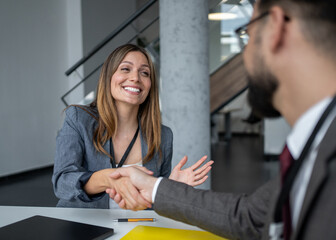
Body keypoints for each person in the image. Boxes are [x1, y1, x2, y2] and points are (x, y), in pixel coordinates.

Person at [107, 0, 336, 239]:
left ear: (275, 29)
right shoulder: (314, 143)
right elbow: (251, 217)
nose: (245, 53)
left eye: (246, 34)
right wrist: (154, 189)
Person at [52, 44, 213, 210]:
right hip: (83, 225)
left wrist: (167, 188)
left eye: (144, 73)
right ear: (109, 76)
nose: (135, 78)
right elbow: (62, 182)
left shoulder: (163, 135)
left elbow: (153, 204)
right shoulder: (78, 118)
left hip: (135, 226)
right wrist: (109, 178)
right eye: (125, 69)